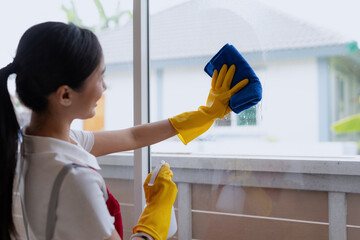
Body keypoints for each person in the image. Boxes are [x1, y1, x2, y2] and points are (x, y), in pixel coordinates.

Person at [0, 22, 248, 240]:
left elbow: (133, 136)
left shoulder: (37, 144)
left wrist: (204, 115)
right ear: (65, 95)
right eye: (99, 77)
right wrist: (153, 223)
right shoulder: (74, 178)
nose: (104, 87)